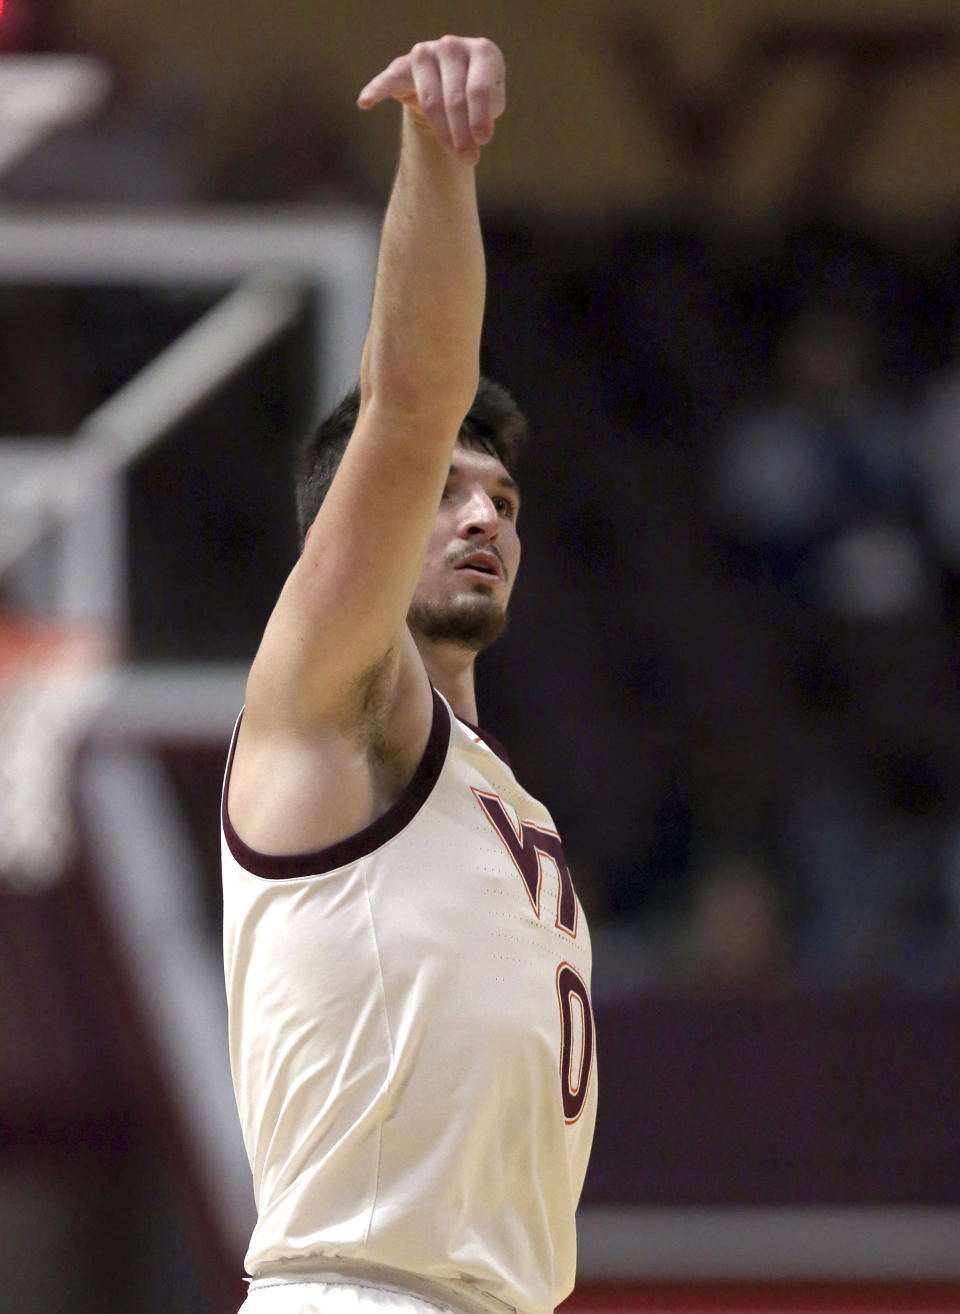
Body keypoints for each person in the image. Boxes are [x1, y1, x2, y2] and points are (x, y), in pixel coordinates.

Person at [220, 36, 597, 1314]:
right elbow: (411, 398)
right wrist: (443, 161)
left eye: (503, 499)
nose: (482, 517)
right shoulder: (335, 703)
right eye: (444, 493)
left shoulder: (507, 806)